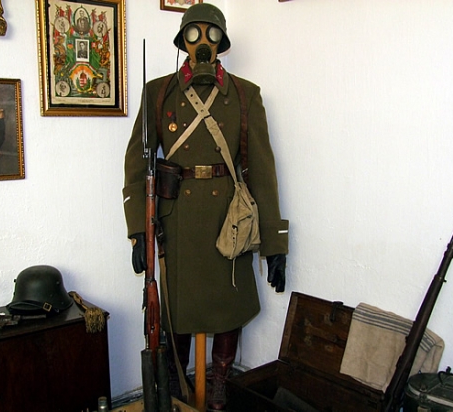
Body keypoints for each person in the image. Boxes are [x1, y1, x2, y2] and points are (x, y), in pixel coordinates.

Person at [122, 4, 288, 410]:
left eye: (211, 35)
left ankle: (219, 384)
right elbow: (137, 165)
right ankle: (178, 382)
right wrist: (139, 231)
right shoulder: (158, 93)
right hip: (176, 219)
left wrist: (275, 244)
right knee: (177, 308)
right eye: (193, 34)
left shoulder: (245, 95)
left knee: (228, 302)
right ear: (183, 42)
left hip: (229, 219)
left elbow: (261, 171)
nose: (202, 44)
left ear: (221, 43)